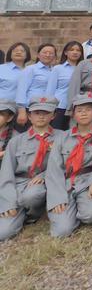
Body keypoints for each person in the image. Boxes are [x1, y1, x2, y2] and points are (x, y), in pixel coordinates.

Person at [0, 96, 60, 241]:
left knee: (32, 195)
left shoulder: (62, 137)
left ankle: (35, 214)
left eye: (45, 112)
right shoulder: (16, 141)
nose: (41, 116)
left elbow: (67, 165)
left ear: (54, 115)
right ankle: (21, 214)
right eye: (36, 112)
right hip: (19, 184)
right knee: (3, 233)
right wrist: (8, 202)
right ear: (29, 116)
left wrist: (45, 175)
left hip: (41, 184)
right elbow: (7, 173)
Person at [45, 94, 92, 237]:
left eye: (88, 109)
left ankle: (76, 210)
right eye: (79, 110)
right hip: (65, 184)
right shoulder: (62, 137)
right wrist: (56, 198)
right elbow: (54, 170)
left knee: (91, 215)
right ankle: (67, 215)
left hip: (86, 183)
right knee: (62, 232)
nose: (83, 113)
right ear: (73, 114)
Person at [16, 43, 57, 129]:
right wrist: (22, 111)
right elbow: (21, 90)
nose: (48, 55)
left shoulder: (55, 70)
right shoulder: (31, 69)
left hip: (47, 108)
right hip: (30, 108)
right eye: (45, 52)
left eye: (51, 53)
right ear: (38, 55)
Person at [46, 41, 84, 131]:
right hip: (60, 107)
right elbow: (50, 90)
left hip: (77, 107)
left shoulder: (83, 69)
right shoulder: (58, 68)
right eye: (72, 50)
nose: (75, 52)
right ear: (66, 52)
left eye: (78, 50)